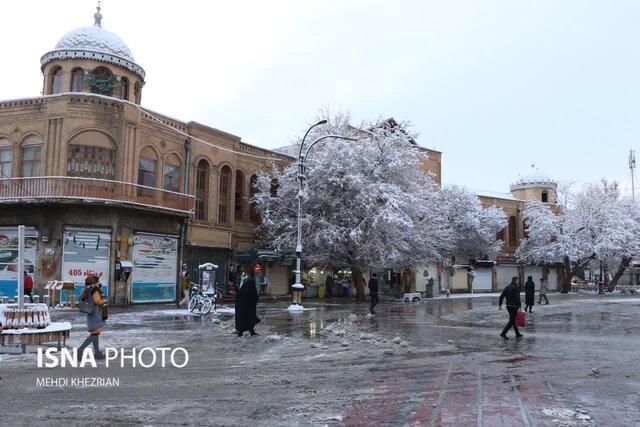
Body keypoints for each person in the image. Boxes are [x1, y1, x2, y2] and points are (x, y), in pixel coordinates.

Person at [77, 275, 108, 359]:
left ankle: (97, 353)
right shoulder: (94, 289)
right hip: (96, 314)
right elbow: (97, 301)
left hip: (91, 313)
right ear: (94, 282)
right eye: (98, 281)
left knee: (95, 333)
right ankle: (80, 350)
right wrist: (104, 301)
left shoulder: (87, 289)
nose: (99, 282)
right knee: (94, 334)